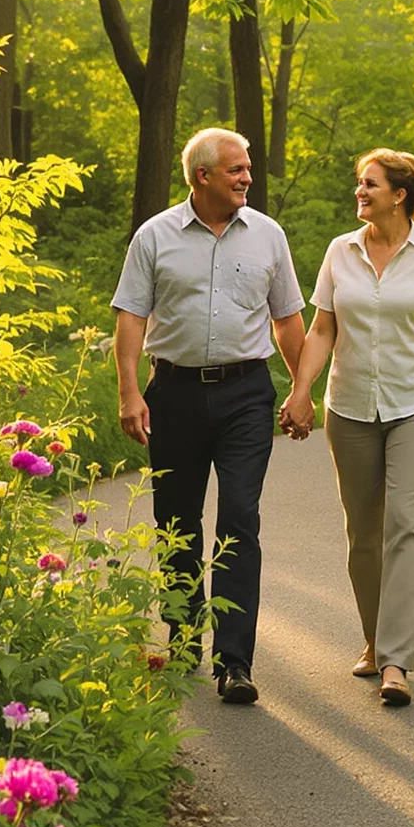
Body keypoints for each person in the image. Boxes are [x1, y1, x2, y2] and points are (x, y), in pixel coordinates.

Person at [280, 147, 414, 708]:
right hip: (349, 407)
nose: (359, 193)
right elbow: (322, 330)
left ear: (400, 194)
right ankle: (374, 641)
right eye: (358, 184)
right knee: (362, 535)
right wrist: (301, 392)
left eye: (369, 184)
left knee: (404, 523)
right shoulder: (339, 251)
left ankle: (396, 660)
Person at [113, 127, 306, 704]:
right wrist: (129, 393)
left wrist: (302, 391)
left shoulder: (269, 236)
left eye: (247, 168)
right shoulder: (155, 237)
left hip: (247, 393)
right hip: (173, 392)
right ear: (202, 177)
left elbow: (289, 319)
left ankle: (235, 661)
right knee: (178, 521)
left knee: (240, 519)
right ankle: (182, 638)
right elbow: (130, 320)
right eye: (236, 170)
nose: (248, 177)